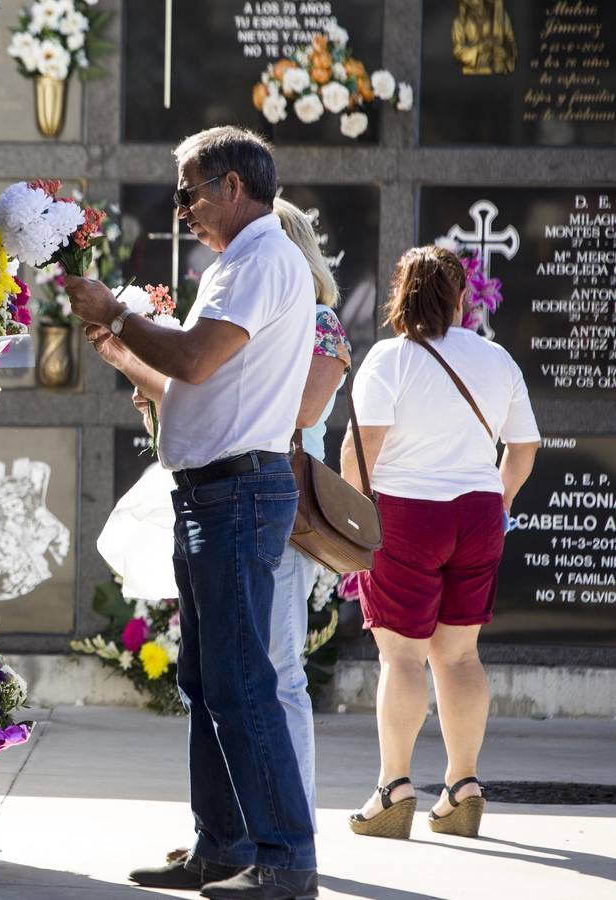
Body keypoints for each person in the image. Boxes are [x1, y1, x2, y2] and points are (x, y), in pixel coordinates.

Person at [68, 126, 317, 900]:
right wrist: (120, 347)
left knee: (241, 680)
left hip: (237, 492)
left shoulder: (262, 258)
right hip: (215, 490)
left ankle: (285, 862)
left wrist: (121, 310)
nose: (182, 210)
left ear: (233, 187)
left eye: (189, 193)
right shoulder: (240, 262)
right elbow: (196, 383)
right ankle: (222, 845)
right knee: (208, 680)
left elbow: (197, 360)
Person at [107, 197, 351, 825]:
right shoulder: (257, 321)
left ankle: (291, 825)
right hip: (235, 493)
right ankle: (233, 831)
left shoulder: (316, 318)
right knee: (230, 677)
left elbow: (291, 412)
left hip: (286, 510)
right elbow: (206, 396)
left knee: (278, 672)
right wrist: (130, 357)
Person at [341, 245, 539, 840]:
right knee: (459, 655)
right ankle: (464, 787)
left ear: (400, 298)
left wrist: (352, 524)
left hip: (405, 515)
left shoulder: (388, 360)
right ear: (460, 298)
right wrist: (498, 501)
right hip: (478, 514)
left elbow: (361, 452)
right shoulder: (497, 358)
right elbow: (523, 449)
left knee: (401, 656)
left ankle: (394, 789)